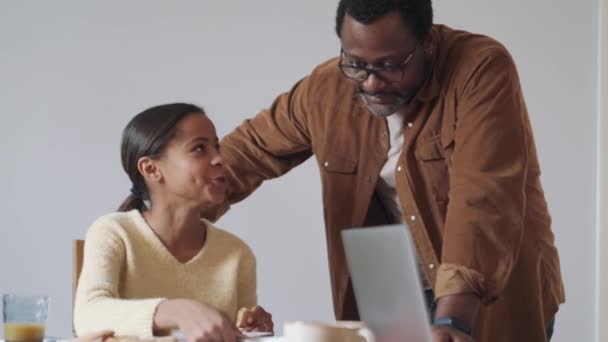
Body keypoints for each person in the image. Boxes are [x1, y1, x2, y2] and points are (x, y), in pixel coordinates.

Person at [204, 1, 565, 341]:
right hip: (397, 302)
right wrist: (161, 214)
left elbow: (483, 198)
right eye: (356, 63)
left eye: (391, 66)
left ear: (427, 43)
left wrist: (452, 317)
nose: (371, 83)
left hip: (487, 296)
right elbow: (246, 153)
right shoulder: (326, 90)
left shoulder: (479, 69)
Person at [74, 103, 273, 342]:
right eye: (200, 148)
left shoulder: (237, 253)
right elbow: (87, 316)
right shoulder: (113, 232)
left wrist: (251, 331)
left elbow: (234, 335)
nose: (220, 158)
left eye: (216, 147)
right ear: (151, 169)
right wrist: (177, 311)